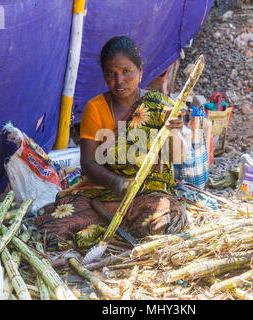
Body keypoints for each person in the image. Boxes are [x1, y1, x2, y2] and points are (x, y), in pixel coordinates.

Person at [36, 36, 189, 249]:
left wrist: (174, 130)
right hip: (102, 193)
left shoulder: (160, 106)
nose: (119, 81)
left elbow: (178, 157)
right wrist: (117, 184)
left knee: (167, 218)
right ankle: (117, 231)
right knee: (54, 227)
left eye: (127, 71)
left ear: (140, 70)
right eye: (111, 74)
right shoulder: (95, 108)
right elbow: (89, 164)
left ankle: (114, 233)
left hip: (147, 193)